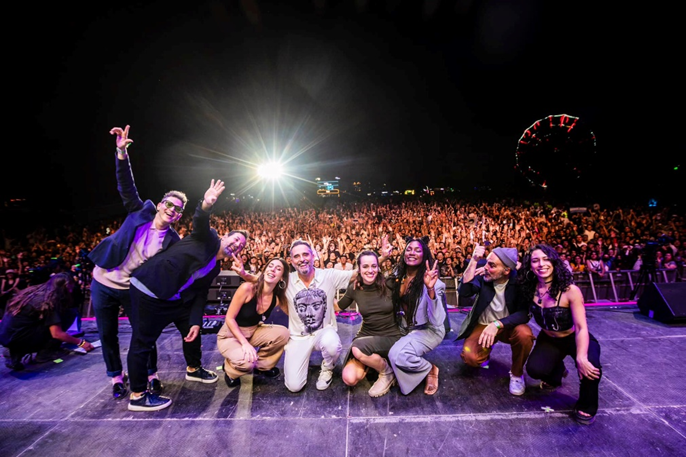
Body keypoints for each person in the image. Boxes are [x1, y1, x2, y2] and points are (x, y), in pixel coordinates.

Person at [126, 179, 248, 411]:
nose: (237, 245)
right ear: (224, 237)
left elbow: (200, 294)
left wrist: (194, 321)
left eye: (241, 245)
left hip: (172, 299)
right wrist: (207, 203)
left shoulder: (214, 268)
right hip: (149, 290)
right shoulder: (208, 238)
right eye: (235, 239)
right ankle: (138, 395)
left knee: (192, 329)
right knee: (143, 342)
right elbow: (200, 222)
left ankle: (193, 369)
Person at [88, 125, 186, 399]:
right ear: (160, 204)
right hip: (103, 281)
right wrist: (121, 152)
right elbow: (126, 185)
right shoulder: (140, 209)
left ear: (179, 216)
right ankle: (116, 377)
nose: (172, 210)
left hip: (133, 289)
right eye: (169, 203)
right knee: (107, 334)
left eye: (178, 209)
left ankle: (150, 374)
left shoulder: (173, 241)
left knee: (145, 333)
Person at [239, 240, 355, 392]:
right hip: (298, 337)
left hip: (324, 332)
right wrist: (243, 274)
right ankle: (301, 359)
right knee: (294, 387)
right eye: (297, 256)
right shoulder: (286, 281)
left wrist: (382, 258)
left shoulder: (329, 275)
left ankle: (327, 367)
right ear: (292, 261)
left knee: (332, 344)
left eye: (306, 254)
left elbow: (359, 273)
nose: (302, 259)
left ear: (313, 256)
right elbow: (265, 280)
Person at [519, 244, 602, 425]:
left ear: (555, 262)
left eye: (546, 259)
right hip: (549, 338)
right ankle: (556, 374)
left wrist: (581, 357)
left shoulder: (570, 290)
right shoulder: (528, 288)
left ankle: (587, 406)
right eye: (535, 260)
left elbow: (581, 327)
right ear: (530, 266)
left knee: (590, 368)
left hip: (573, 337)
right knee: (534, 369)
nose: (541, 264)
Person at [456, 244, 534, 396]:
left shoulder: (519, 282)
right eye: (486, 262)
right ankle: (485, 352)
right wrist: (473, 261)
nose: (486, 267)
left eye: (492, 265)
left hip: (508, 326)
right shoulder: (483, 274)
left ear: (506, 270)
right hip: (484, 325)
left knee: (525, 335)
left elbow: (524, 313)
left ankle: (517, 375)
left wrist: (498, 324)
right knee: (470, 357)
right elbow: (464, 292)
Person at [338, 249, 402, 397]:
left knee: (357, 349)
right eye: (365, 266)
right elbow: (338, 306)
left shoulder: (390, 284)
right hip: (367, 336)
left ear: (378, 267)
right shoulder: (354, 288)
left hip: (390, 336)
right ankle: (376, 363)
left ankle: (386, 372)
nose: (370, 270)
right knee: (349, 378)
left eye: (374, 266)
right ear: (358, 269)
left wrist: (386, 255)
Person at [217, 258, 290, 387]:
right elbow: (229, 318)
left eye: (278, 269)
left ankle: (261, 366)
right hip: (230, 335)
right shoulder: (247, 288)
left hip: (253, 331)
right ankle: (230, 370)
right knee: (246, 363)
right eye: (270, 266)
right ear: (264, 270)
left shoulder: (277, 298)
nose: (272, 269)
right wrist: (244, 343)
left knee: (283, 333)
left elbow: (293, 313)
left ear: (281, 278)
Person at [387, 236, 446, 396]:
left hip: (429, 330)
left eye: (417, 250)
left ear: (424, 255)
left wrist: (430, 290)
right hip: (405, 327)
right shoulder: (398, 274)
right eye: (409, 249)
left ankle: (429, 369)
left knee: (397, 355)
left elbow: (437, 320)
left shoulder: (435, 284)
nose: (412, 253)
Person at [0, 273, 95, 370]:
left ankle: (14, 351)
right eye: (71, 287)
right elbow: (56, 334)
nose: (71, 291)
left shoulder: (35, 291)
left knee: (48, 320)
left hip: (7, 335)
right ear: (66, 286)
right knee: (69, 313)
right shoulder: (50, 301)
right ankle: (45, 353)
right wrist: (81, 343)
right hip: (19, 337)